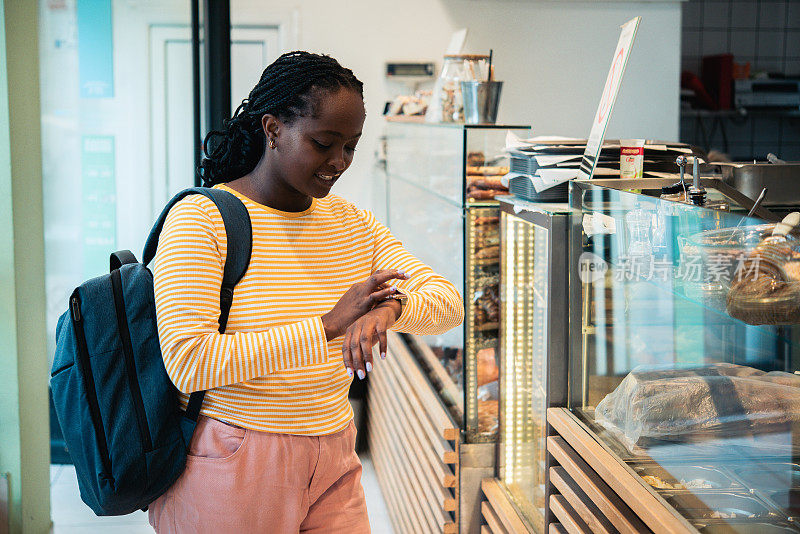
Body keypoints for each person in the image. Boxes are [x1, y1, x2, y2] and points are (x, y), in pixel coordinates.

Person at [148, 51, 464, 533]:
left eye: (351, 146)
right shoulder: (201, 219)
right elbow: (189, 361)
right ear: (272, 129)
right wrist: (328, 326)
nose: (339, 162)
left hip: (335, 450)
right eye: (323, 143)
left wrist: (393, 309)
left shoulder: (350, 223)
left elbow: (448, 302)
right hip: (237, 457)